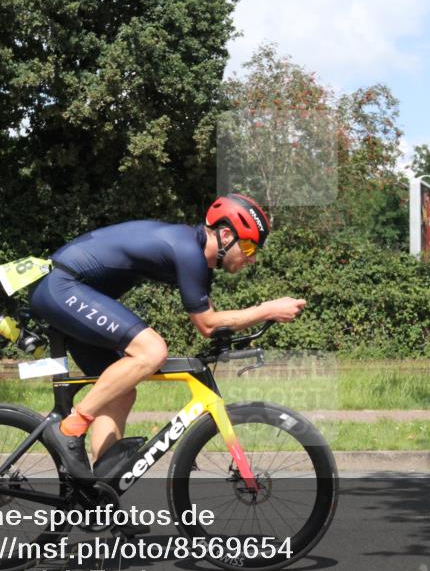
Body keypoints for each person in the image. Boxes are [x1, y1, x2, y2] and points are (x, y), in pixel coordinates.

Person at [31, 193, 306, 483]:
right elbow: (208, 324)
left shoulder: (194, 252)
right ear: (226, 235)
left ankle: (99, 492)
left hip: (67, 289)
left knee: (121, 391)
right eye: (249, 247)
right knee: (152, 351)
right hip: (61, 286)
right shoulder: (188, 250)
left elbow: (213, 320)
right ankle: (70, 428)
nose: (252, 257)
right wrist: (266, 309)